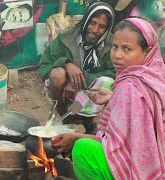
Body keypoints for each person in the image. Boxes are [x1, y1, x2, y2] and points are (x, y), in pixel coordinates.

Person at [52, 17, 165, 179]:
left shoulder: (130, 86)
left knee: (83, 149)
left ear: (147, 51)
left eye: (127, 49)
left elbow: (118, 146)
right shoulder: (160, 75)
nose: (117, 55)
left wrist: (75, 137)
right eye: (115, 47)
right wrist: (113, 97)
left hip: (141, 169)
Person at [38, 1, 115, 132]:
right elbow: (44, 67)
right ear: (85, 21)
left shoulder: (112, 44)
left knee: (108, 82)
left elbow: (114, 73)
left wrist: (79, 81)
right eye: (92, 23)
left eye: (102, 27)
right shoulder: (66, 37)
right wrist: (66, 63)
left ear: (107, 28)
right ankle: (62, 116)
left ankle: (90, 121)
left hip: (92, 91)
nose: (95, 30)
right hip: (64, 92)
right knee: (57, 74)